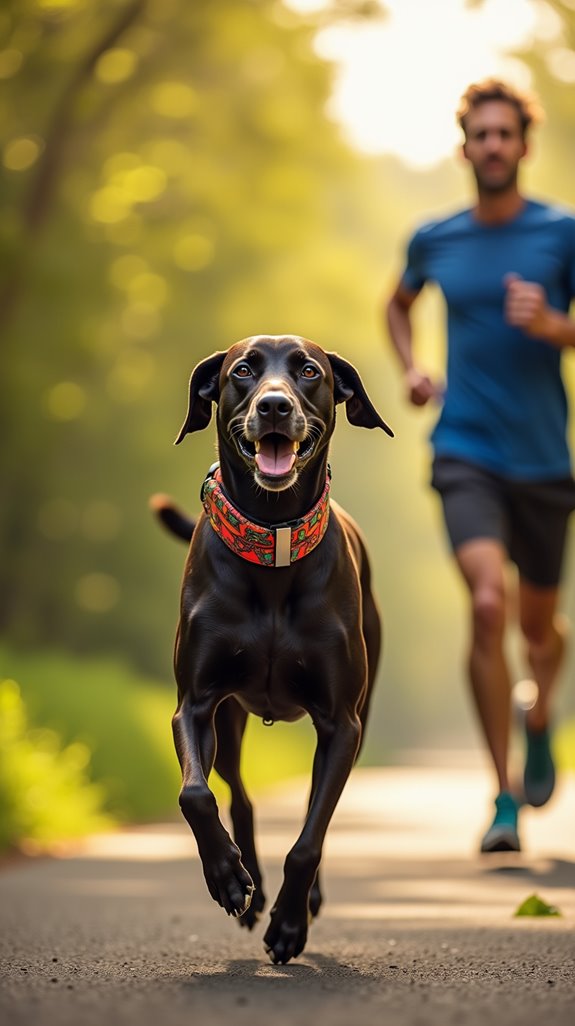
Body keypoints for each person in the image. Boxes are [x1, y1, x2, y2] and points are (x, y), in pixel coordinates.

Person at [385, 78, 575, 853]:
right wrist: (411, 368)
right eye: (480, 134)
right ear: (463, 147)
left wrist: (554, 325)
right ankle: (499, 797)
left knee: (538, 630)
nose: (492, 146)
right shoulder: (435, 238)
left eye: (504, 134)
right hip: (463, 446)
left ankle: (539, 715)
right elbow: (396, 304)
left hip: (542, 460)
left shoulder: (560, 233)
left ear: (523, 146)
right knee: (487, 604)